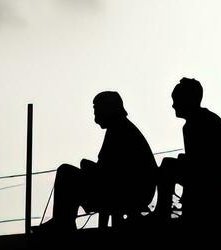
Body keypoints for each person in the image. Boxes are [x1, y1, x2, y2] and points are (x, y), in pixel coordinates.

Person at [41, 91, 158, 231]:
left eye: (97, 111)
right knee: (70, 172)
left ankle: (63, 222)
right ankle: (63, 221)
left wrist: (88, 167)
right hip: (126, 189)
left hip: (126, 192)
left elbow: (110, 173)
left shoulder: (120, 131)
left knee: (66, 172)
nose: (96, 117)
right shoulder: (120, 129)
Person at [155, 78, 221, 220]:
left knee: (168, 164)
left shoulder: (194, 125)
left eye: (176, 100)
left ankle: (162, 211)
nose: (173, 105)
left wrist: (184, 159)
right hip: (213, 178)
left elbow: (199, 164)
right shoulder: (209, 118)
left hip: (208, 182)